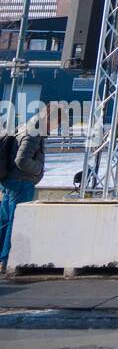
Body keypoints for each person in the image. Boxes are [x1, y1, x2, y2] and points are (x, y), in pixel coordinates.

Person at [0, 114, 46, 270]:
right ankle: (6, 259)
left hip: (8, 181)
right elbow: (22, 160)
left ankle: (1, 257)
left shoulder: (23, 127)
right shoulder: (34, 132)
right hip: (21, 182)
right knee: (16, 221)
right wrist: (38, 170)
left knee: (5, 221)